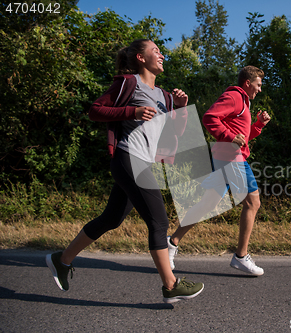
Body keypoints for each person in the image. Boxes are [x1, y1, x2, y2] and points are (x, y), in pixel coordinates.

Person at [45, 39, 204, 303]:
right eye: (155, 50)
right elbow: (95, 111)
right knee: (159, 221)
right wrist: (132, 111)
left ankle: (61, 260)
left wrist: (180, 107)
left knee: (112, 219)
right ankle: (171, 285)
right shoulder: (128, 83)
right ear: (141, 58)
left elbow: (174, 134)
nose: (161, 54)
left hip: (144, 161)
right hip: (129, 157)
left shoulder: (165, 95)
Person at [167, 65, 270, 276]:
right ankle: (241, 256)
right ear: (248, 83)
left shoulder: (244, 102)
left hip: (225, 156)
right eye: (258, 85)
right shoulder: (234, 96)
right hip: (232, 158)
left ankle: (172, 242)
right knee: (253, 202)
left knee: (208, 203)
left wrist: (258, 125)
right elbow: (209, 117)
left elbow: (243, 136)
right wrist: (230, 137)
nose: (260, 90)